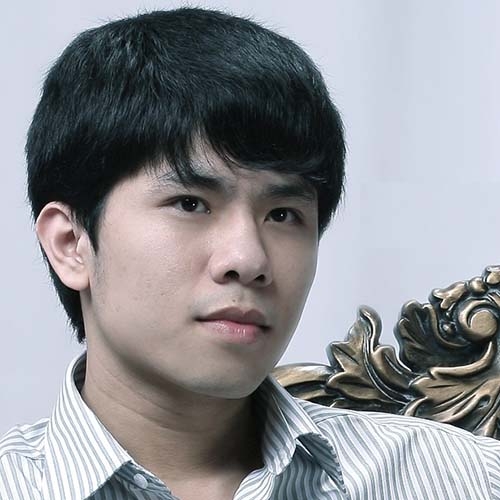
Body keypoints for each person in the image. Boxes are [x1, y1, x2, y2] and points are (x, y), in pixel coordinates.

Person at [0, 7, 499, 500]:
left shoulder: (465, 479)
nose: (248, 259)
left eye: (282, 214)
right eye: (190, 204)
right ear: (71, 244)